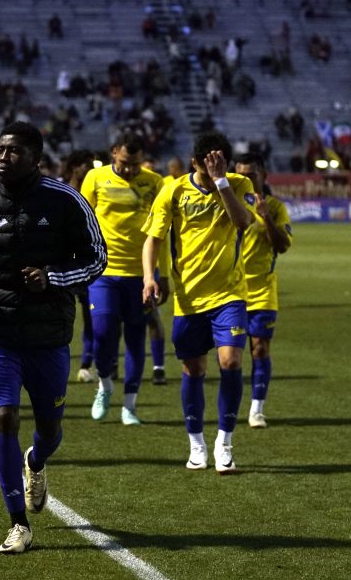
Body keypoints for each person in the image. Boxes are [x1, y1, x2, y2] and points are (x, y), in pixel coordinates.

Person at [0, 122, 106, 553]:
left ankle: (35, 461)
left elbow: (96, 258)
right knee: (4, 417)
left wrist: (52, 277)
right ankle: (18, 523)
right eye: (0, 149)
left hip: (49, 333)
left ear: (36, 158)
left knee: (49, 429)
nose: (3, 157)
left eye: (14, 151)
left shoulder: (65, 199)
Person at [142, 131, 255, 474]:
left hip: (230, 294)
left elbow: (243, 222)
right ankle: (196, 443)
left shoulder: (239, 184)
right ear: (194, 162)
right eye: (206, 170)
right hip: (189, 298)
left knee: (231, 361)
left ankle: (225, 442)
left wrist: (221, 182)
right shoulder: (173, 190)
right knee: (194, 369)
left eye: (218, 167)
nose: (210, 175)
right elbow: (153, 239)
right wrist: (149, 277)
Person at [80, 133, 168, 425]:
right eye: (125, 163)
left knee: (135, 337)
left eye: (136, 164)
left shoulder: (155, 183)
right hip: (103, 272)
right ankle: (105, 384)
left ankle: (129, 405)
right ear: (114, 152)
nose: (130, 170)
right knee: (102, 332)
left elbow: (161, 234)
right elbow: (81, 221)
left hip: (142, 275)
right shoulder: (95, 178)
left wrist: (163, 275)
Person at [234, 154, 292, 429]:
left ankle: (257, 409)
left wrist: (266, 216)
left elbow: (282, 245)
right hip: (231, 291)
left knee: (259, 348)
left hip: (263, 291)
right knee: (231, 356)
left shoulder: (276, 207)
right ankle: (230, 406)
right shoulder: (229, 204)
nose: (246, 179)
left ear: (263, 176)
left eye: (251, 175)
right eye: (241, 174)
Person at [61, 150, 97, 383]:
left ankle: (86, 364)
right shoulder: (60, 192)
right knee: (61, 316)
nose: (91, 169)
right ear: (75, 167)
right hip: (63, 264)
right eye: (87, 165)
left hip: (85, 264)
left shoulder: (96, 191)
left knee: (91, 316)